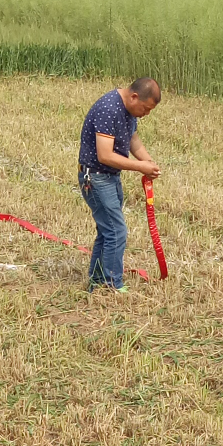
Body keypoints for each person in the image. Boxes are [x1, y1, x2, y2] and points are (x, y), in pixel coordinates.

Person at [77, 77, 161, 292]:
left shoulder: (129, 110)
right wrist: (140, 167)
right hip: (95, 177)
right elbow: (105, 155)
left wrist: (148, 161)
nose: (146, 114)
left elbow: (133, 139)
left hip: (109, 176)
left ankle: (97, 279)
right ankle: (111, 283)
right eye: (145, 108)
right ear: (134, 96)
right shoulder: (108, 108)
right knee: (116, 231)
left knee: (107, 230)